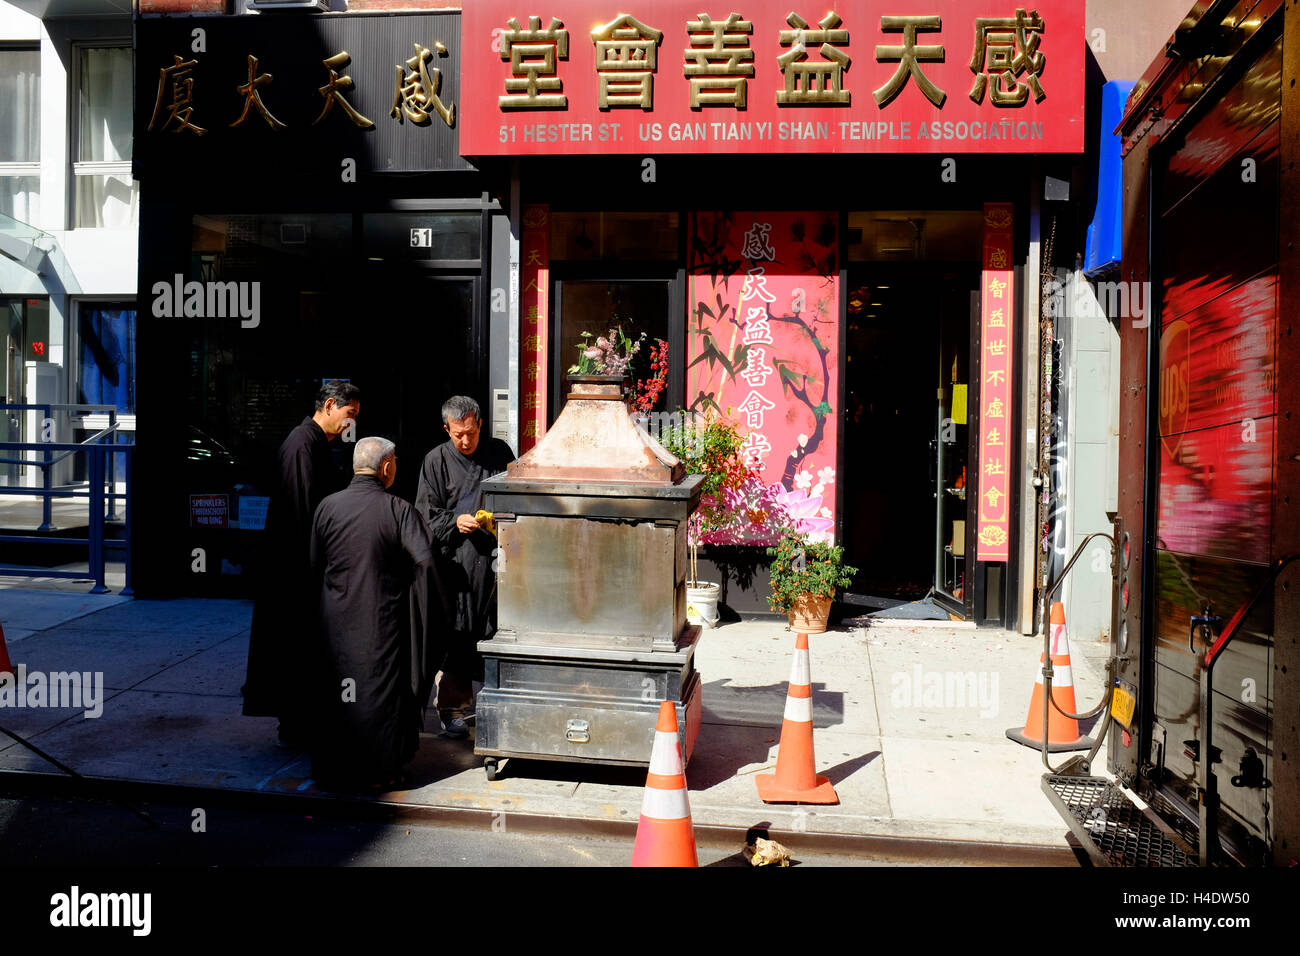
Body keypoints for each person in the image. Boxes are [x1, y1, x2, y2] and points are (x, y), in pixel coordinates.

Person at [309, 436, 435, 791]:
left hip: (335, 621)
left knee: (337, 694)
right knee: (379, 694)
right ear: (386, 467)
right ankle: (383, 772)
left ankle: (334, 768)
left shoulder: (327, 507)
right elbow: (424, 561)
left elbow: (315, 564)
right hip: (383, 620)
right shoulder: (397, 509)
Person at [243, 380, 360, 748]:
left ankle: (301, 721)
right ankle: (293, 725)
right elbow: (303, 512)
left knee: (300, 650)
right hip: (294, 568)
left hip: (301, 565)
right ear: (329, 405)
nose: (350, 423)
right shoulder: (301, 444)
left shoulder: (316, 444)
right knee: (292, 649)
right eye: (348, 414)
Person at [413, 396, 515, 739]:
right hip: (455, 565)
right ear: (447, 429)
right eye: (458, 435)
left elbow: (515, 496)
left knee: (495, 633)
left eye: (470, 433)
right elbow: (425, 515)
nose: (466, 441)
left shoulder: (499, 452)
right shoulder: (436, 460)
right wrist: (456, 521)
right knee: (457, 635)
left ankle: (496, 704)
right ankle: (452, 710)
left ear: (480, 424)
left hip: (494, 560)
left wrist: (496, 520)